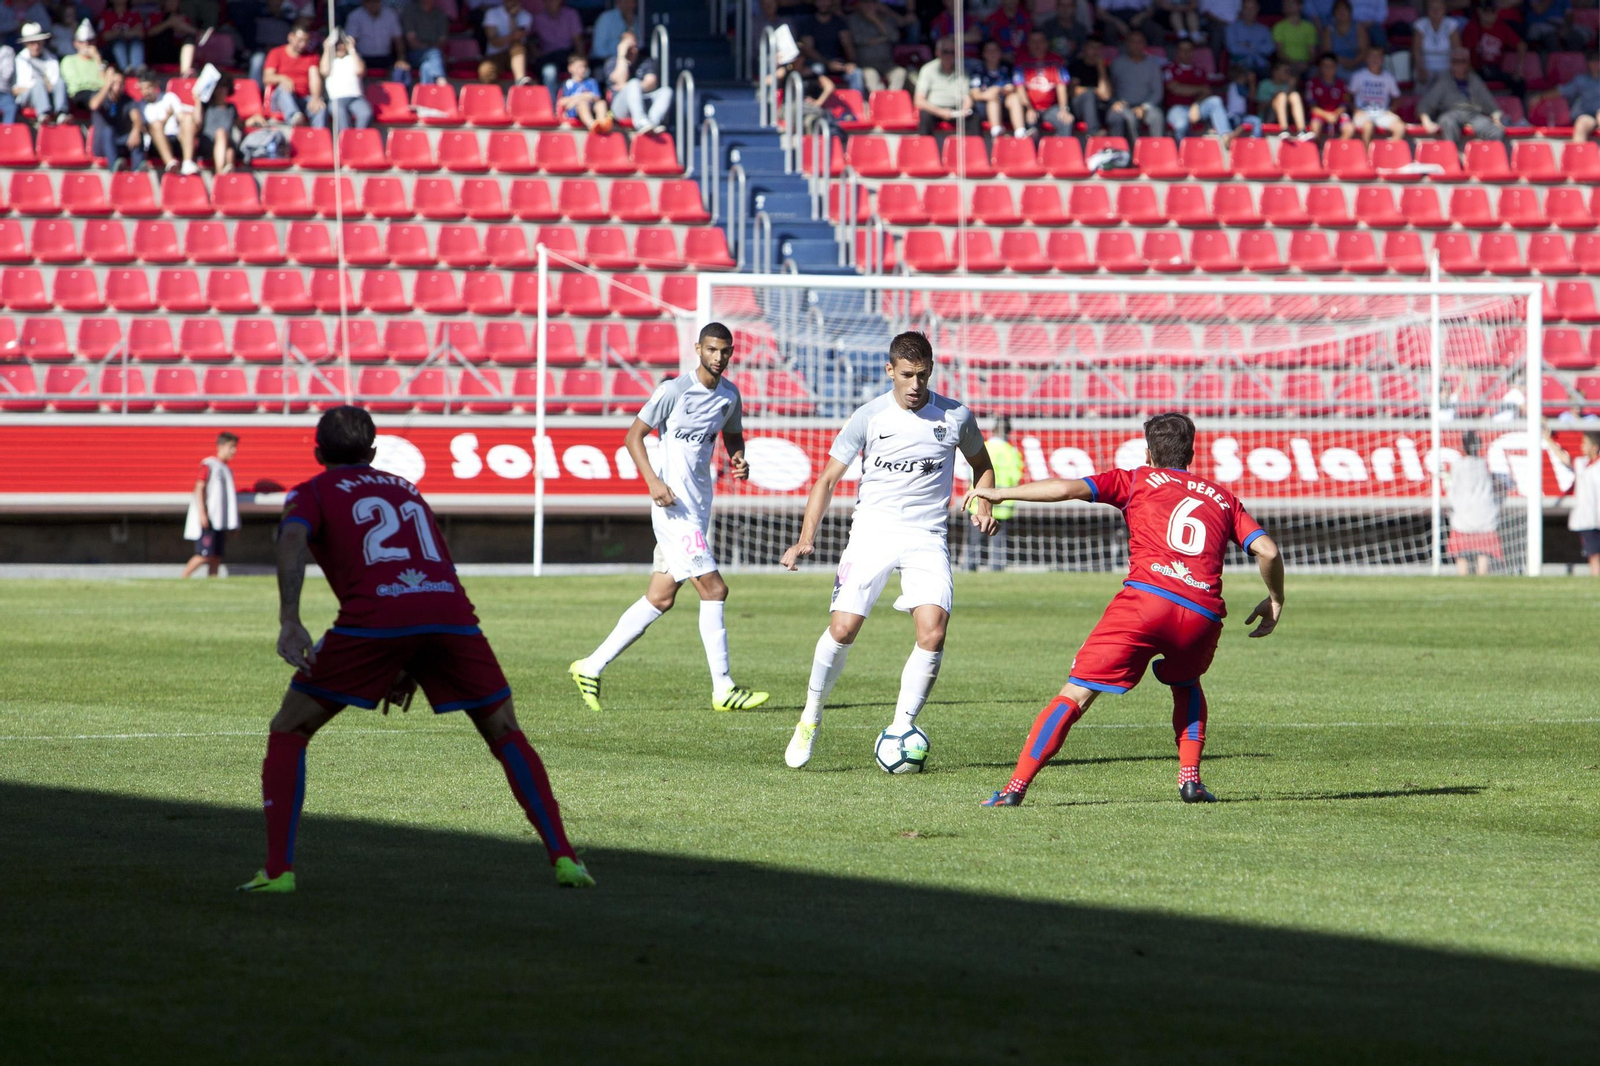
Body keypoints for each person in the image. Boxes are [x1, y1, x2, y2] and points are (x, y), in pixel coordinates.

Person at [242, 406, 593, 894]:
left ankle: (278, 871)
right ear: (372, 452)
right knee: (506, 732)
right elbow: (435, 560)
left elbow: (293, 538)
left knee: (289, 729)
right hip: (450, 615)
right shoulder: (406, 488)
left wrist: (289, 621)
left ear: (318, 452)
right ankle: (565, 858)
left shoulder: (311, 491)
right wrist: (410, 659)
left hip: (375, 620)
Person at [970, 411, 1284, 807]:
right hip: (1202, 614)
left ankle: (1014, 788)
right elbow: (1268, 550)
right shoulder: (1222, 497)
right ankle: (1190, 779)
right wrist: (1275, 599)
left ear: (1148, 452)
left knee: (1078, 692)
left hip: (1146, 603)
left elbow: (1066, 489)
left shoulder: (1135, 478)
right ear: (1190, 453)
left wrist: (1001, 494)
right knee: (1186, 684)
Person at [779, 331, 999, 770]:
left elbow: (983, 465)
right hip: (873, 533)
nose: (915, 384)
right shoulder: (869, 416)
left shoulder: (955, 417)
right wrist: (806, 537)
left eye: (922, 375)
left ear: (931, 370)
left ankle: (901, 726)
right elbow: (826, 480)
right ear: (889, 371)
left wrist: (984, 500)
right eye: (906, 375)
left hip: (927, 536)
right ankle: (811, 714)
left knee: (933, 631)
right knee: (842, 630)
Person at [569, 324, 770, 716]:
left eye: (725, 351)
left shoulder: (729, 396)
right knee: (714, 590)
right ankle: (724, 688)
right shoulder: (673, 391)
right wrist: (653, 482)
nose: (718, 357)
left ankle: (590, 666)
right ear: (698, 348)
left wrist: (738, 457)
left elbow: (732, 434)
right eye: (711, 349)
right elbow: (633, 437)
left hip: (697, 508)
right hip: (672, 510)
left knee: (660, 598)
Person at [965, 416, 1023, 572]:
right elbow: (1016, 477)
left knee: (974, 541)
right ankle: (997, 569)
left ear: (993, 430)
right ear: (1009, 432)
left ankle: (969, 568)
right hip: (1003, 505)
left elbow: (970, 473)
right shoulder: (1012, 452)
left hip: (979, 505)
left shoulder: (984, 447)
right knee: (999, 542)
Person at [1419, 47, 1505, 151]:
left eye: (1462, 61)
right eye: (1455, 61)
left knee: (1496, 132)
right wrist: (1426, 121)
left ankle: (1483, 158)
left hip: (1474, 114)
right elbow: (1425, 105)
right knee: (1447, 121)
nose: (1459, 65)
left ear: (1468, 63)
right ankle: (1455, 156)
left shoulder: (1475, 80)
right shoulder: (1443, 81)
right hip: (1451, 113)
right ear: (1451, 63)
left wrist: (1496, 118)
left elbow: (1492, 106)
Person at [182, 432, 240, 578]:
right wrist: (202, 512)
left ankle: (212, 582)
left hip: (220, 521)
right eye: (231, 447)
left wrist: (233, 523)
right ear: (220, 446)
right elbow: (199, 487)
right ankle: (183, 578)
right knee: (204, 554)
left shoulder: (227, 469)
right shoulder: (209, 464)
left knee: (216, 556)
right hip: (210, 518)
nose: (234, 451)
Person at [1446, 430, 1503, 576]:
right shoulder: (1484, 465)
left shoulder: (1457, 466)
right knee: (1484, 551)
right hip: (1485, 514)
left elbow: (1451, 488)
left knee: (1461, 554)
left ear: (1463, 447)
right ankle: (1482, 577)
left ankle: (1463, 577)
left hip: (1463, 515)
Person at [1163, 35, 1230, 141]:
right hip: (1176, 108)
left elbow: (1207, 91)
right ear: (1177, 51)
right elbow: (1175, 88)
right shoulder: (1169, 68)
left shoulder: (1199, 70)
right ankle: (1181, 153)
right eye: (1182, 50)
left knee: (1215, 101)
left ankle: (1226, 137)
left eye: (1188, 50)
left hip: (1197, 107)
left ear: (1193, 52)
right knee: (1181, 124)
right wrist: (1199, 89)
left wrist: (1196, 105)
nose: (1185, 53)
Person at [1551, 430, 1600, 575]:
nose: (1581, 446)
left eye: (1585, 443)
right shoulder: (1582, 463)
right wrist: (1548, 439)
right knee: (1594, 555)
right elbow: (1564, 458)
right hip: (1588, 518)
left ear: (1595, 447)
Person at [603, 30, 668, 133]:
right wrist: (622, 55)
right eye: (630, 47)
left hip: (642, 100)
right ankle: (640, 122)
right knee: (633, 83)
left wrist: (632, 88)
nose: (633, 50)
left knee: (666, 91)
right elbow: (619, 80)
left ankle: (652, 123)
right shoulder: (612, 62)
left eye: (635, 46)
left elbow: (651, 83)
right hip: (619, 108)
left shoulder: (645, 61)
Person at [137, 67, 201, 173]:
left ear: (155, 85)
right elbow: (148, 129)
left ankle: (187, 162)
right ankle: (170, 163)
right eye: (142, 88)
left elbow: (181, 117)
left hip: (175, 138)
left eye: (148, 87)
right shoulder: (141, 106)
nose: (145, 92)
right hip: (155, 145)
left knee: (188, 119)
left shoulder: (169, 97)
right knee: (156, 125)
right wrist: (167, 116)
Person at [1107, 29, 1166, 141]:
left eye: (1139, 42)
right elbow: (1109, 88)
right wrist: (1114, 102)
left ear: (1144, 44)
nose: (1136, 45)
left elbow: (1157, 92)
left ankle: (1157, 152)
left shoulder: (1153, 65)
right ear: (1126, 44)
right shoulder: (1117, 63)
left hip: (1146, 106)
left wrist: (1144, 107)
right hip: (1122, 105)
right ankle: (1118, 153)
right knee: (1115, 116)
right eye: (1132, 42)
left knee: (1157, 116)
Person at [263, 22, 325, 127]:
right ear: (290, 37)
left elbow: (315, 78)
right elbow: (267, 77)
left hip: (303, 98)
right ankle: (294, 118)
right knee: (284, 89)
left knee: (320, 108)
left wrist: (316, 98)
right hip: (281, 99)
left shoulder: (312, 56)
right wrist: (282, 78)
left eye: (306, 41)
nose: (302, 44)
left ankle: (318, 138)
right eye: (299, 40)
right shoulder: (276, 53)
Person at [913, 36, 973, 143]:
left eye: (952, 52)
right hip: (934, 109)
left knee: (974, 116)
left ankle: (974, 153)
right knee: (925, 116)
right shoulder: (928, 69)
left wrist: (965, 110)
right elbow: (919, 101)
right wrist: (940, 112)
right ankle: (925, 152)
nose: (949, 55)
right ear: (938, 53)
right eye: (945, 52)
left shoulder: (962, 70)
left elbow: (967, 97)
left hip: (957, 109)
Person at [797, 0, 861, 95]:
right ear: (815, 2)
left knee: (856, 73)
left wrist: (851, 63)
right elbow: (808, 49)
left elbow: (848, 45)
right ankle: (814, 103)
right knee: (816, 69)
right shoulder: (808, 22)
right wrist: (827, 63)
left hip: (838, 63)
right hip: (817, 62)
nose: (823, 3)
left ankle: (857, 105)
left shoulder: (839, 22)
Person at [88, 63, 143, 169]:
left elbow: (136, 118)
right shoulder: (99, 96)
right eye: (114, 83)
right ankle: (114, 167)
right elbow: (94, 105)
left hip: (120, 141)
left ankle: (138, 168)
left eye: (120, 84)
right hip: (102, 144)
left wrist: (135, 131)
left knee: (137, 132)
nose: (117, 87)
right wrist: (107, 85)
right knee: (108, 129)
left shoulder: (128, 100)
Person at [846, 0, 907, 94]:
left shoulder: (886, 19)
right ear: (859, 4)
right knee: (870, 76)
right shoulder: (853, 19)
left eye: (872, 2)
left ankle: (891, 100)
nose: (869, 5)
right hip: (866, 64)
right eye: (865, 2)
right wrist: (883, 39)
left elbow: (894, 37)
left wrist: (876, 20)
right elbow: (857, 39)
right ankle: (881, 101)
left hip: (887, 63)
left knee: (900, 72)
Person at [1348, 44, 1404, 141]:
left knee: (1400, 128)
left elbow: (1397, 97)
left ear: (1382, 59)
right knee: (1368, 127)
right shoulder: (1358, 76)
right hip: (1363, 112)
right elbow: (1348, 96)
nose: (1375, 59)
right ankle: (1367, 155)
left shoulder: (1388, 77)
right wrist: (1355, 110)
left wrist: (1391, 110)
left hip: (1382, 113)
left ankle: (1387, 152)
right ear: (1366, 59)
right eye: (1371, 56)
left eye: (1378, 56)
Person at [13, 22, 67, 124]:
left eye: (38, 42)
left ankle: (61, 113)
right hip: (28, 96)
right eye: (32, 43)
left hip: (50, 94)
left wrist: (46, 87)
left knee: (60, 82)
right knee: (38, 83)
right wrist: (40, 85)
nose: (36, 46)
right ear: (26, 44)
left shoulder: (51, 58)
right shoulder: (20, 59)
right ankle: (43, 113)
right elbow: (18, 88)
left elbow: (55, 81)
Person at [971, 39, 1026, 136]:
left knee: (1015, 97)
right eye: (989, 51)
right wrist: (987, 94)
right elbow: (975, 94)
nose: (992, 54)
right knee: (993, 99)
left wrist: (999, 90)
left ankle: (1020, 132)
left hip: (1006, 105)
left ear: (1000, 53)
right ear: (984, 54)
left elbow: (1013, 87)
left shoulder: (1007, 68)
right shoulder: (979, 70)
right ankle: (996, 131)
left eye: (995, 50)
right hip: (986, 107)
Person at [321, 29, 374, 130]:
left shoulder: (352, 58)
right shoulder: (329, 60)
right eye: (337, 45)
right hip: (336, 99)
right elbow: (324, 71)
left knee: (365, 113)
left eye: (342, 44)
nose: (340, 47)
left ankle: (358, 138)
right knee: (341, 115)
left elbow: (360, 70)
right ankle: (346, 140)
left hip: (356, 97)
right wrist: (327, 49)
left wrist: (352, 48)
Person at [1063, 35, 1113, 136]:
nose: (1095, 51)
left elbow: (1106, 95)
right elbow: (1072, 91)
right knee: (1089, 94)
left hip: (1099, 108)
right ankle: (1094, 132)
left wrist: (1101, 69)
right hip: (1077, 107)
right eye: (1092, 47)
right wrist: (1092, 91)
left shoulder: (1104, 68)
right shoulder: (1076, 65)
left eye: (1098, 48)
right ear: (1085, 48)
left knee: (1117, 114)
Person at [529, 0, 585, 90]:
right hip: (547, 57)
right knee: (549, 72)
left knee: (583, 71)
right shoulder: (538, 18)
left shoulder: (571, 14)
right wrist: (536, 54)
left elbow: (578, 40)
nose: (551, 2)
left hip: (566, 55)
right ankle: (553, 103)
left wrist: (581, 60)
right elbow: (530, 40)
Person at [345, 0, 407, 78]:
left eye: (376, 1)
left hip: (386, 58)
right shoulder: (355, 16)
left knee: (401, 70)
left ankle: (397, 90)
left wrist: (401, 59)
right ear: (364, 2)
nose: (373, 4)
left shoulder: (390, 14)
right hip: (363, 58)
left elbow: (398, 40)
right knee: (353, 69)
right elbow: (350, 41)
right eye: (370, 1)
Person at [554, 53, 610, 132]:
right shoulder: (567, 84)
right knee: (582, 103)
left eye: (584, 66)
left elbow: (596, 97)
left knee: (601, 104)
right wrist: (582, 96)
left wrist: (577, 100)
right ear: (570, 68)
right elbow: (562, 101)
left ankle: (602, 125)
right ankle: (592, 124)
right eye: (579, 67)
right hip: (574, 112)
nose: (582, 69)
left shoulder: (591, 82)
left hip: (591, 108)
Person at [480, 0, 531, 85]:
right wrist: (512, 36)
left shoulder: (525, 15)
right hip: (495, 55)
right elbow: (494, 42)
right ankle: (493, 96)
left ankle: (520, 82)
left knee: (517, 46)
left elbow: (518, 38)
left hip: (517, 56)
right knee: (486, 71)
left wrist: (512, 17)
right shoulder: (492, 13)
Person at [1304, 51, 1353, 139]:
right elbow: (1312, 106)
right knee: (1315, 126)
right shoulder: (1313, 83)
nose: (1328, 69)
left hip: (1337, 114)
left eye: (1331, 66)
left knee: (1349, 128)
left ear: (1336, 67)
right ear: (1320, 67)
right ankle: (1318, 151)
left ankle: (1337, 150)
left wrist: (1335, 114)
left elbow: (1344, 104)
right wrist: (1326, 115)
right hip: (1320, 114)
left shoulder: (1342, 84)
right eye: (1325, 66)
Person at [145, 0, 199, 77]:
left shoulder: (183, 18)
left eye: (175, 1)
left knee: (189, 38)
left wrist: (181, 25)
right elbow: (149, 33)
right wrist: (168, 23)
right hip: (159, 53)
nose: (172, 3)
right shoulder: (155, 15)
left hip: (177, 53)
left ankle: (185, 71)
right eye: (169, 1)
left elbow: (195, 34)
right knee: (163, 35)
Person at [1412, 0, 1463, 81]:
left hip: (1446, 68)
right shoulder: (1420, 25)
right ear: (1427, 10)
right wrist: (1420, 67)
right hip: (1426, 67)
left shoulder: (1451, 24)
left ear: (1444, 10)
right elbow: (1416, 51)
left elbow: (1457, 50)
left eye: (1439, 8)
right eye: (1432, 8)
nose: (1436, 11)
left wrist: (1453, 69)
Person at [1258, 58, 1310, 138]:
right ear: (1275, 72)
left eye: (1289, 72)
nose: (1288, 74)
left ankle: (1302, 131)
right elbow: (1259, 107)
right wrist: (1274, 98)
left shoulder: (1288, 85)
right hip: (1268, 116)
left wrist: (1291, 86)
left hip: (1288, 117)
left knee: (1295, 95)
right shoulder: (1265, 84)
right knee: (1282, 96)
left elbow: (1291, 102)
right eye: (1285, 71)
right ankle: (1284, 130)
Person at [1555, 51, 1600, 143]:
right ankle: (1578, 155)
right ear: (1588, 63)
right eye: (1592, 61)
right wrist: (1540, 96)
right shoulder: (1580, 80)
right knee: (1581, 124)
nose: (1595, 64)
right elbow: (1562, 91)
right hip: (1586, 116)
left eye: (1598, 61)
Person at [401, 0, 448, 86]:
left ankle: (426, 95)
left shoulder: (440, 15)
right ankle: (442, 82)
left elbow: (442, 42)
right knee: (434, 53)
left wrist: (430, 48)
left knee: (426, 67)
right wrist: (430, 48)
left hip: (432, 56)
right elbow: (412, 43)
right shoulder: (410, 12)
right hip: (413, 55)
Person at [1224, 0, 1273, 79]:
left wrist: (1248, 46)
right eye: (1246, 8)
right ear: (1242, 10)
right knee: (1242, 73)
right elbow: (1233, 49)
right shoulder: (1232, 28)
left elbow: (1270, 48)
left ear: (1257, 9)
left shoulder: (1264, 30)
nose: (1249, 12)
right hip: (1239, 65)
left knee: (1271, 74)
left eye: (1252, 8)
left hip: (1261, 65)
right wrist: (1257, 48)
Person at [60, 19, 102, 108]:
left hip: (98, 94)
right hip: (80, 95)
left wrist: (98, 59)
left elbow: (105, 83)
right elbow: (75, 84)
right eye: (82, 42)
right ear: (75, 43)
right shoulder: (68, 60)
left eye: (90, 41)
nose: (86, 45)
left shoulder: (99, 61)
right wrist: (95, 84)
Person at [1321, 0, 1366, 80]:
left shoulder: (1359, 28)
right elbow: (1327, 52)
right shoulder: (1329, 30)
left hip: (1357, 61)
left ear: (1350, 12)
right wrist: (1342, 61)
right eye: (1338, 10)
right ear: (1334, 13)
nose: (1341, 12)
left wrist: (1354, 62)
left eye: (1344, 9)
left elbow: (1364, 50)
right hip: (1337, 62)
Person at [1523, 0, 1594, 51]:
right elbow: (1538, 10)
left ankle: (1572, 61)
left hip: (1560, 24)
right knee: (1550, 33)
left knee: (1584, 32)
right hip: (1539, 24)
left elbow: (1569, 14)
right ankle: (1556, 59)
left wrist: (1566, 27)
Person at [98, 0, 145, 73]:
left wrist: (120, 32)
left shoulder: (134, 14)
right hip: (111, 49)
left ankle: (138, 71)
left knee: (137, 43)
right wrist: (127, 32)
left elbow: (140, 33)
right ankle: (125, 71)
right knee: (119, 44)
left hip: (131, 44)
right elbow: (105, 36)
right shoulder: (106, 14)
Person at [1272, 0, 1319, 73]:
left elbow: (1312, 53)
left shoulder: (1310, 27)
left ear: (1300, 6)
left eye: (1291, 4)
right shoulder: (1278, 27)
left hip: (1306, 65)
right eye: (1286, 4)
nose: (1288, 6)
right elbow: (1279, 53)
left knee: (1316, 72)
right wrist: (1294, 63)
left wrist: (1306, 64)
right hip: (1287, 65)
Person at [589, 0, 635, 66]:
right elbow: (598, 50)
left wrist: (630, 24)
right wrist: (619, 60)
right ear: (618, 2)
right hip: (604, 63)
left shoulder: (637, 19)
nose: (629, 4)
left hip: (630, 62)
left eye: (632, 1)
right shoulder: (606, 17)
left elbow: (640, 45)